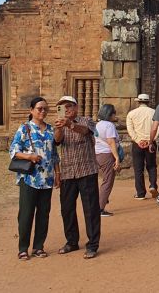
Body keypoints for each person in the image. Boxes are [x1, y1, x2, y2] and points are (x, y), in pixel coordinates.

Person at [10, 97, 58, 261]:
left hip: (47, 179)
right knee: (26, 213)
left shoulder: (51, 130)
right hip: (29, 178)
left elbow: (55, 155)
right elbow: (14, 151)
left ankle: (38, 246)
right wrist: (29, 156)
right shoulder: (25, 129)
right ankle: (23, 248)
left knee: (44, 214)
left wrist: (57, 175)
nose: (42, 111)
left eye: (45, 109)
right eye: (39, 109)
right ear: (31, 110)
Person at [54, 96, 101, 259]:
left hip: (86, 170)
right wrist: (60, 127)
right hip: (68, 172)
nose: (66, 110)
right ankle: (71, 241)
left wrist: (70, 125)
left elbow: (86, 131)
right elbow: (57, 141)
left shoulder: (86, 120)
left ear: (76, 107)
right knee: (67, 209)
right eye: (61, 107)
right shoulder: (59, 124)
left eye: (68, 106)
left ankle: (93, 244)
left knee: (91, 209)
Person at [126, 93, 158, 200]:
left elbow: (130, 130)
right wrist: (150, 141)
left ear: (138, 102)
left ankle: (140, 192)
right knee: (152, 165)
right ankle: (153, 185)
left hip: (137, 144)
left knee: (138, 168)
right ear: (148, 102)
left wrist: (138, 140)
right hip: (151, 143)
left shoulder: (131, 114)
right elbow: (158, 129)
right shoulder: (154, 112)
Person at [95, 104, 121, 217]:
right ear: (110, 114)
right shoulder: (109, 125)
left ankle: (102, 201)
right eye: (114, 113)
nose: (115, 115)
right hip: (107, 154)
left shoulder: (98, 124)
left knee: (105, 180)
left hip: (98, 154)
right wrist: (117, 158)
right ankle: (100, 208)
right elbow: (111, 142)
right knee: (108, 181)